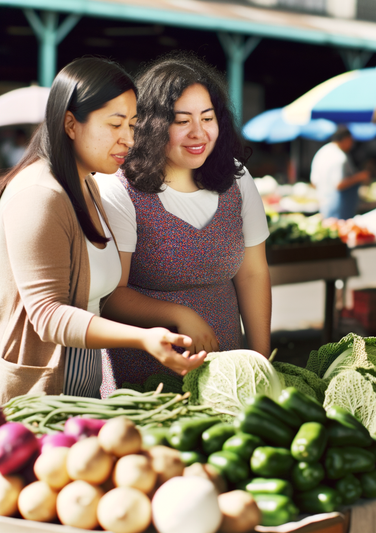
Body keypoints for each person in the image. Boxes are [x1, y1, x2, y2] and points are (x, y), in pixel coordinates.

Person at [0, 57, 206, 404]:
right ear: (70, 124)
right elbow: (49, 316)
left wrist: (175, 314)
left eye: (133, 124)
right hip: (35, 402)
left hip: (81, 394)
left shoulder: (88, 186)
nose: (128, 138)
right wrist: (142, 339)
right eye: (115, 124)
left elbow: (98, 296)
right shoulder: (40, 194)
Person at [96, 53, 271, 396]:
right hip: (144, 382)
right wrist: (178, 314)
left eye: (208, 118)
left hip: (226, 375)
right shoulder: (119, 189)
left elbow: (252, 273)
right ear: (150, 124)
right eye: (181, 120)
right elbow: (109, 296)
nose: (198, 132)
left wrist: (262, 361)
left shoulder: (236, 178)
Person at [310, 125, 370, 220]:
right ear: (346, 139)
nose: (352, 144)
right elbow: (339, 184)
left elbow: (314, 182)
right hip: (339, 207)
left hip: (323, 202)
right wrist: (360, 177)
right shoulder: (339, 157)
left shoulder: (322, 152)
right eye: (351, 141)